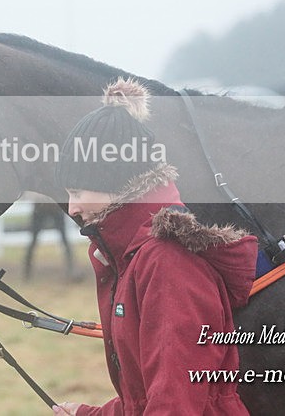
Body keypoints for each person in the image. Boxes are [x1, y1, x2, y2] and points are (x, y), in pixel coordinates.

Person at [52, 77, 258, 415]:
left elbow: (176, 402)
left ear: (114, 185)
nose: (72, 208)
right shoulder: (131, 257)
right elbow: (145, 400)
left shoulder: (167, 263)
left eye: (77, 192)